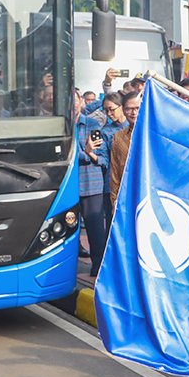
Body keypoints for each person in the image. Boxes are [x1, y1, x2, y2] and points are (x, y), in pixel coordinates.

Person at [74, 91, 107, 277]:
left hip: (91, 184)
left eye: (75, 100)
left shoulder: (92, 125)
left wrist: (85, 154)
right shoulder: (61, 126)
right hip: (68, 186)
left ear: (81, 103)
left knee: (95, 230)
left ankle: (99, 267)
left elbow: (101, 158)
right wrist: (86, 153)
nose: (73, 105)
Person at [100, 92, 129, 230]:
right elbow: (105, 160)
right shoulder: (106, 131)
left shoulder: (136, 125)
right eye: (106, 110)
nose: (109, 113)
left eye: (112, 109)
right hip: (112, 183)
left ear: (121, 106)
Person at [109, 91, 141, 209]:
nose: (134, 113)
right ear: (123, 110)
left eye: (137, 108)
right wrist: (114, 200)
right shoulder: (118, 137)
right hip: (126, 196)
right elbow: (115, 172)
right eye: (129, 109)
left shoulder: (155, 135)